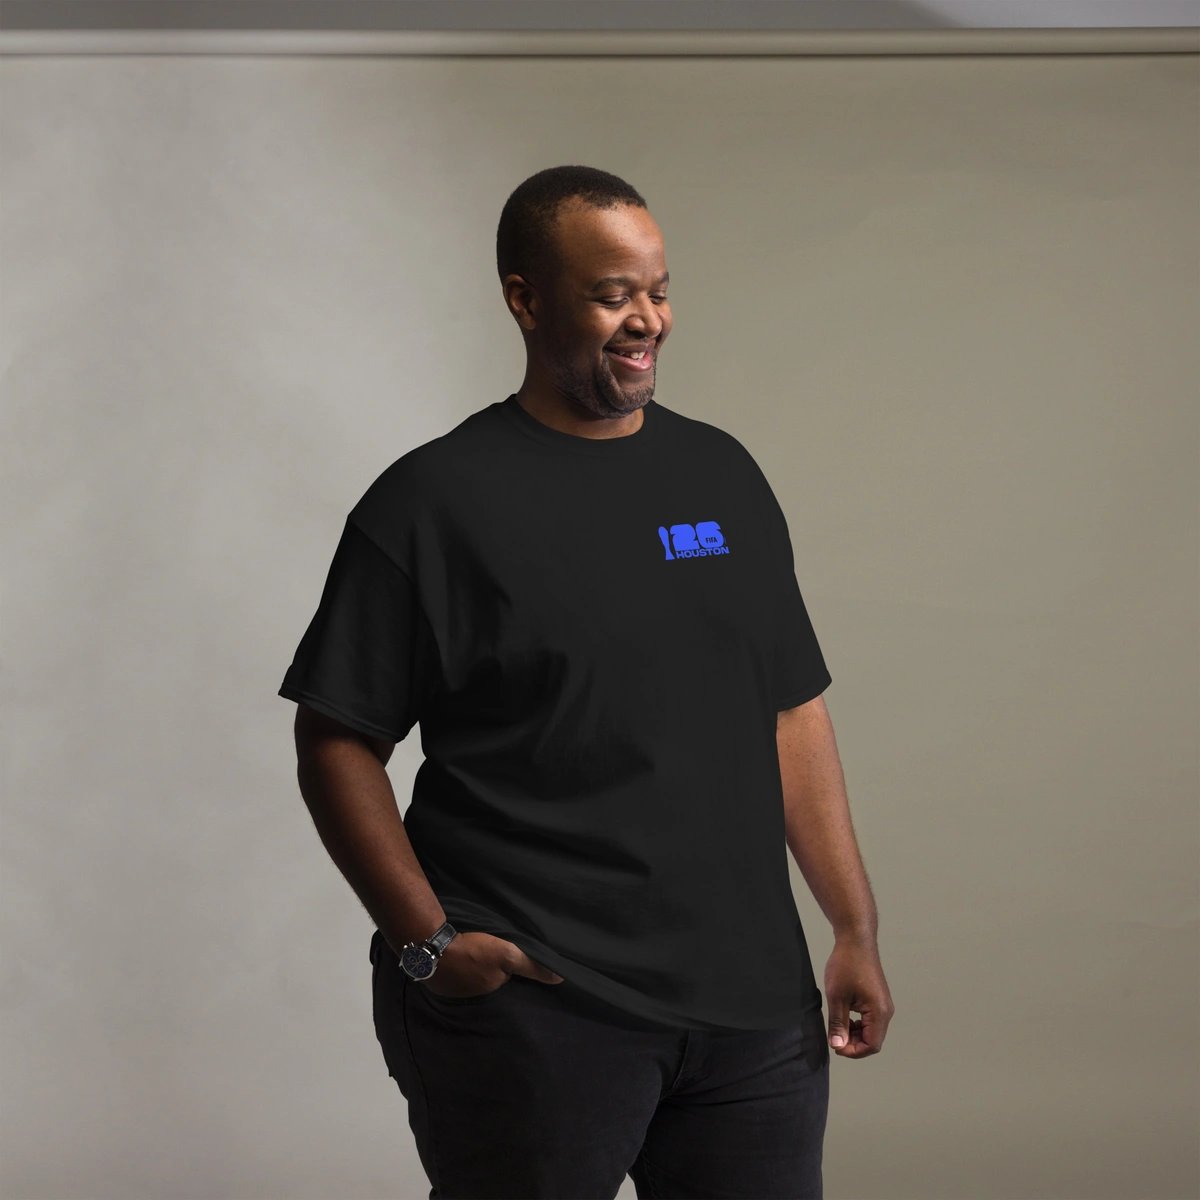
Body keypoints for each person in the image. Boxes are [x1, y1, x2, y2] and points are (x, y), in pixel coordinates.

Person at [279, 164, 894, 1200]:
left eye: (658, 290)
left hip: (752, 1017)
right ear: (525, 299)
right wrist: (427, 944)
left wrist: (853, 928)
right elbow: (336, 738)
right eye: (612, 295)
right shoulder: (433, 502)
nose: (646, 319)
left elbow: (790, 711)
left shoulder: (724, 477)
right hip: (538, 1009)